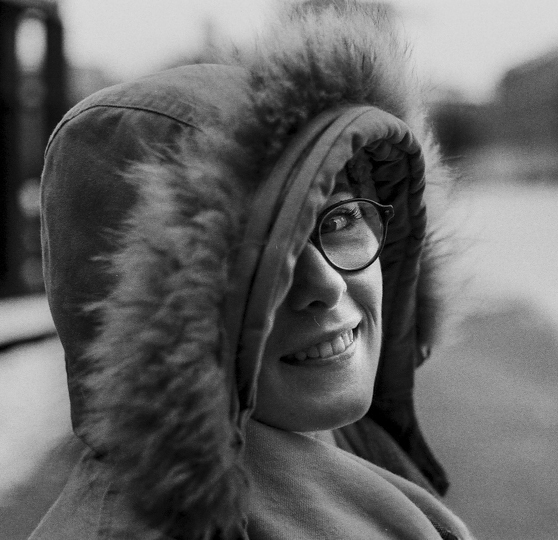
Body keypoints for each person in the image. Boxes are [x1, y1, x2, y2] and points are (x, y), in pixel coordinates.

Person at [30, 2, 472, 539]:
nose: (327, 284)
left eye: (340, 219)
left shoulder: (342, 450)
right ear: (155, 325)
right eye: (257, 253)